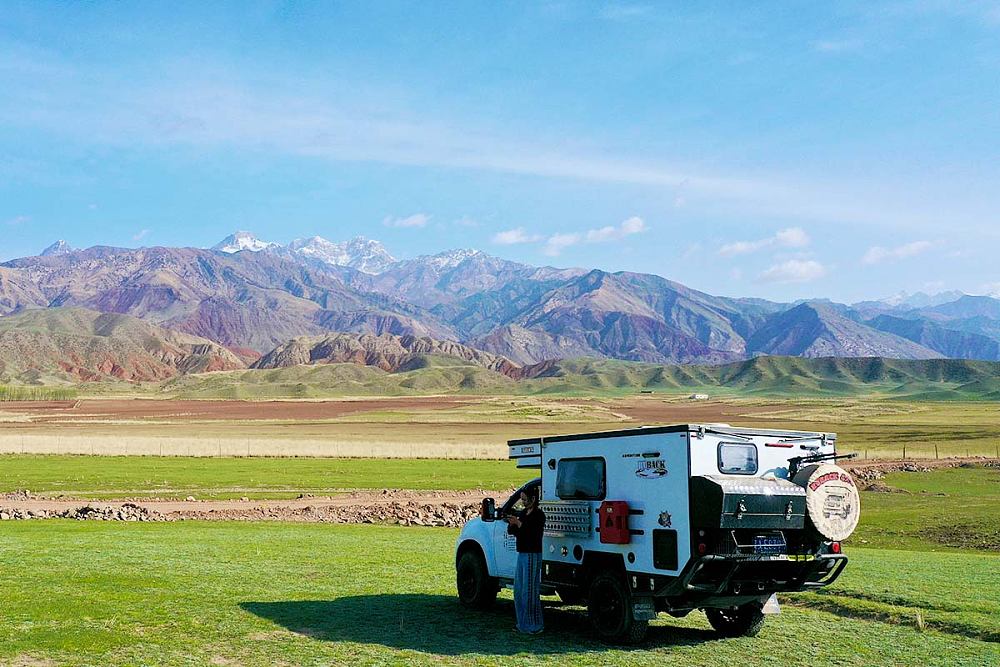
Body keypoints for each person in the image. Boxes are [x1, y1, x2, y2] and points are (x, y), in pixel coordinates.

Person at [504, 486, 545, 634]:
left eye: (525, 499)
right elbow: (516, 532)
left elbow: (532, 533)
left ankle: (533, 625)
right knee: (520, 590)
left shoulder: (539, 516)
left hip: (532, 554)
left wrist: (519, 523)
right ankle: (522, 623)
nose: (523, 502)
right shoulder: (523, 514)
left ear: (533, 499)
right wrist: (512, 524)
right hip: (522, 553)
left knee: (530, 590)